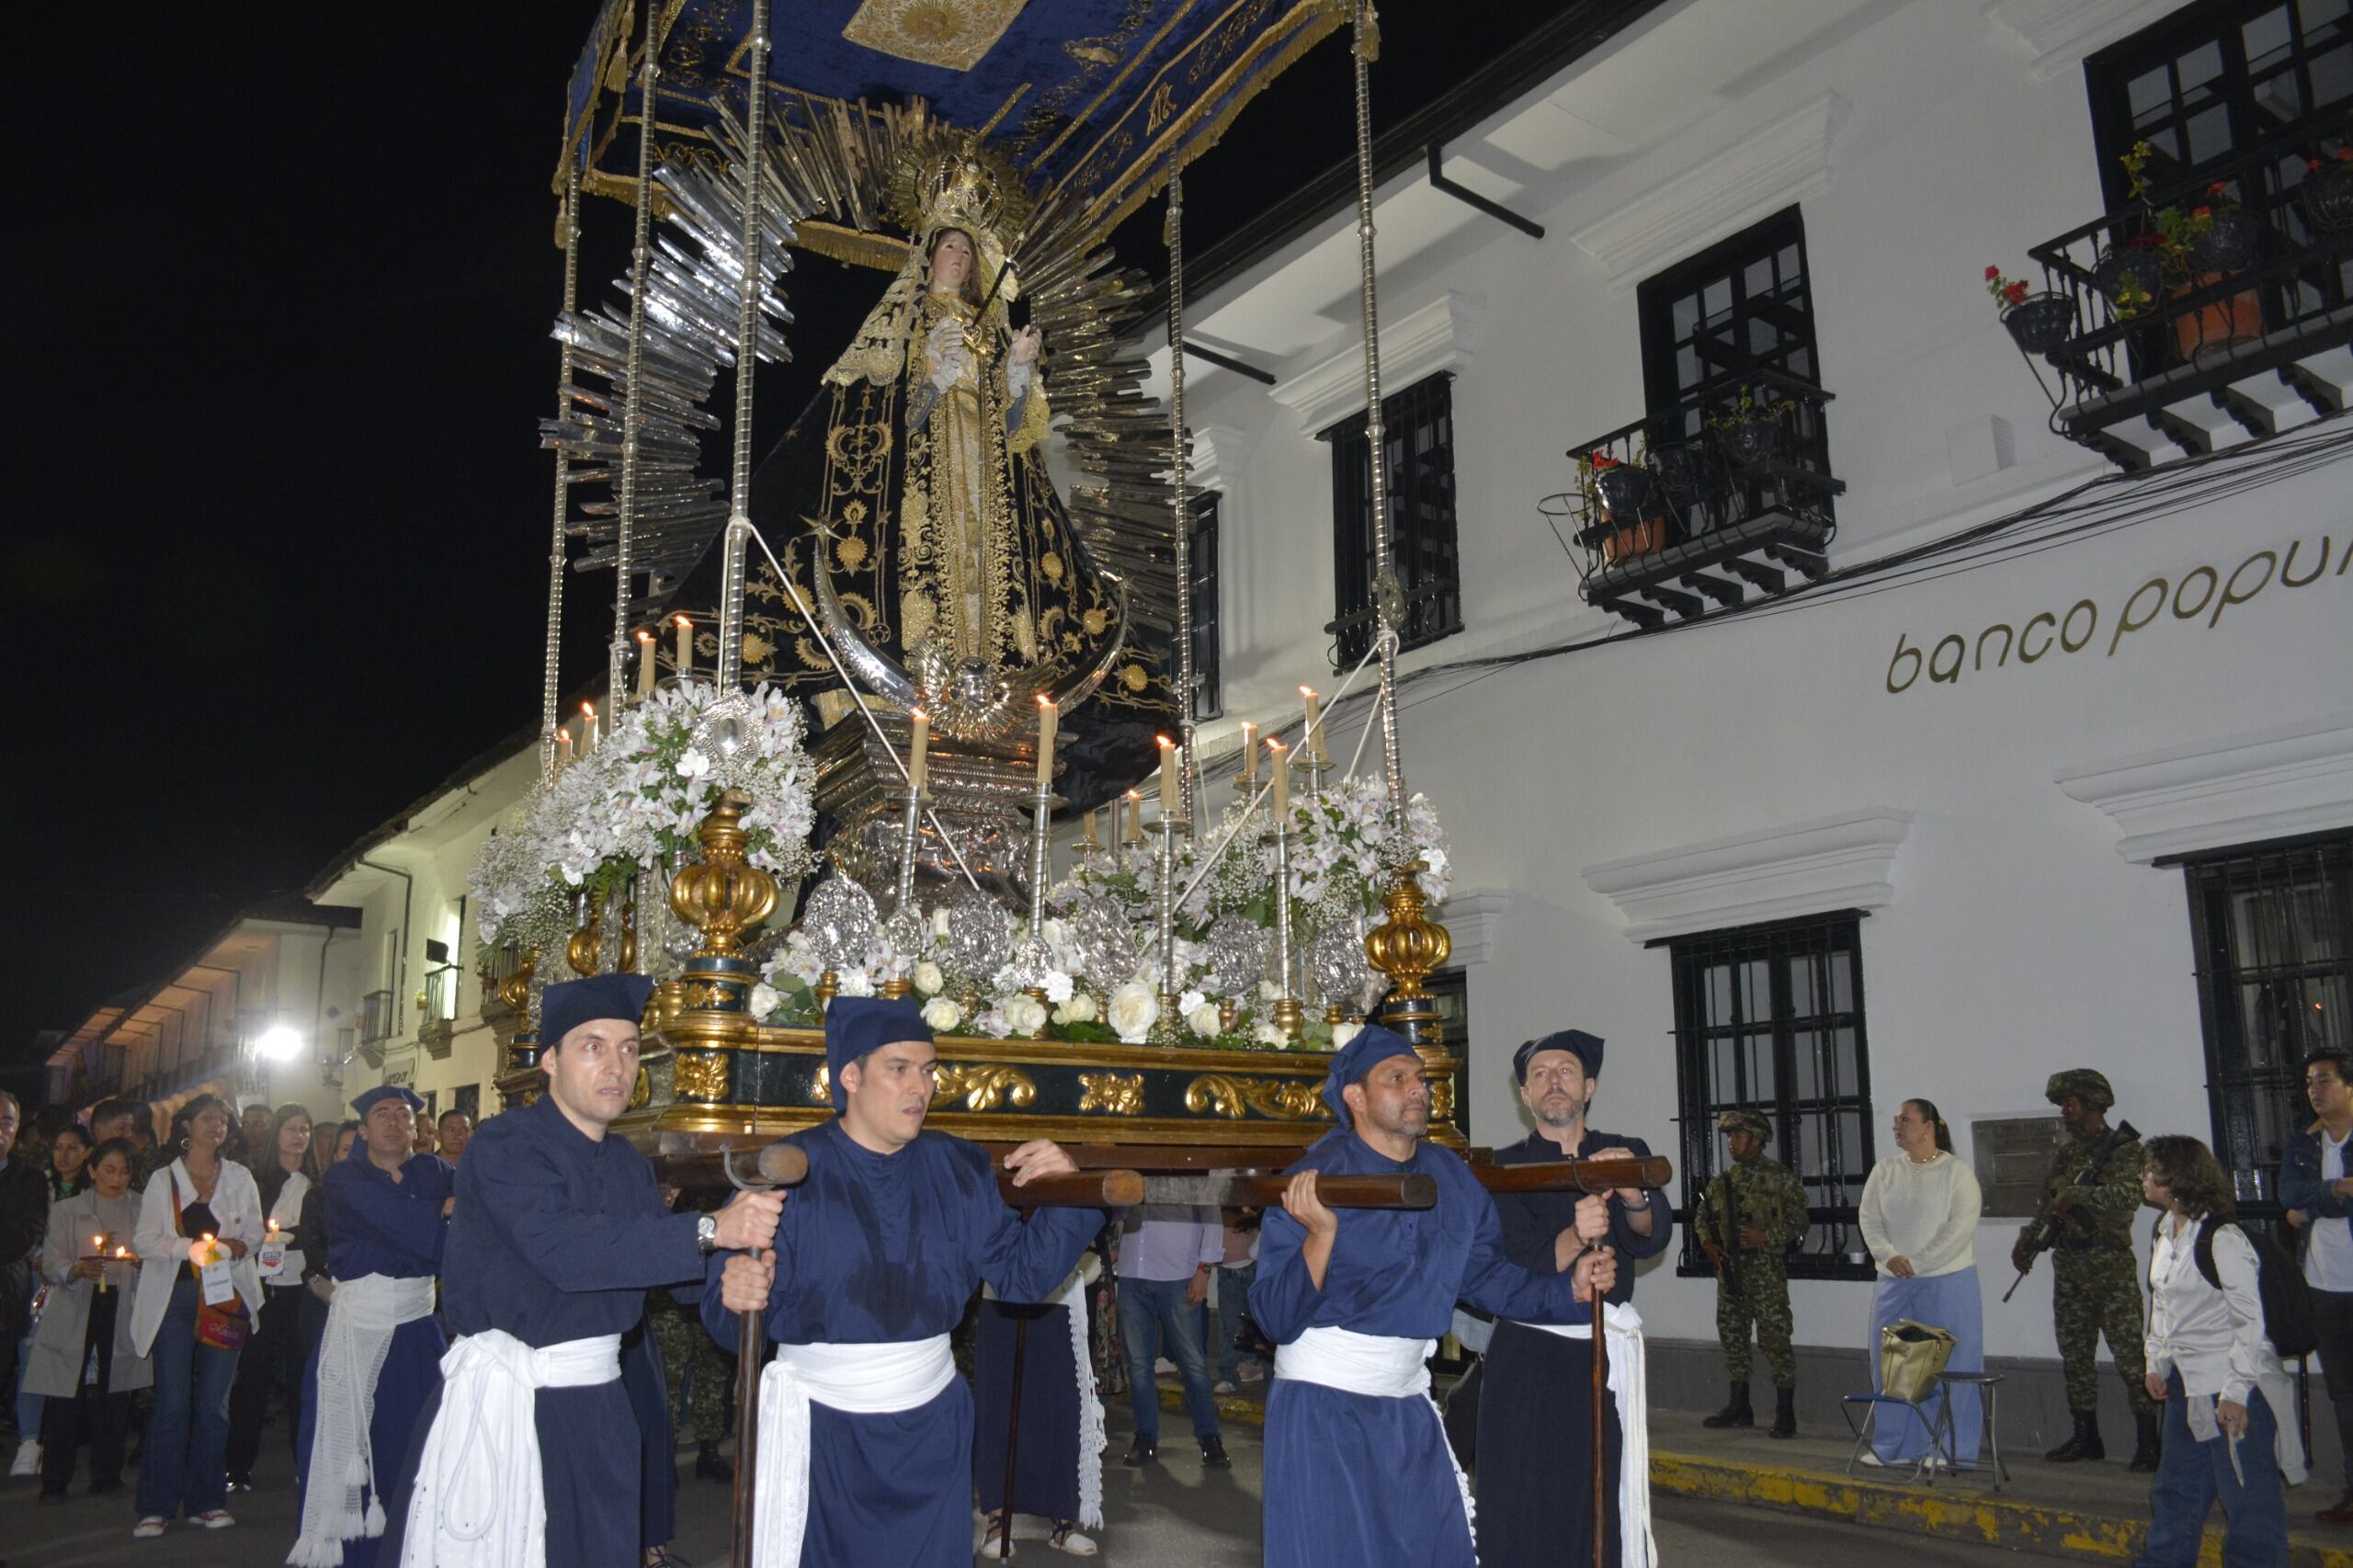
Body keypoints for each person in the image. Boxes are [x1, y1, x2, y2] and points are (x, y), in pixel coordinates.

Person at [388, 974, 780, 1568]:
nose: (616, 1066)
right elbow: (569, 1251)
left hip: (600, 1409)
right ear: (550, 1059)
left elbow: (681, 1277)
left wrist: (737, 1278)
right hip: (512, 1405)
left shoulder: (625, 1163)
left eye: (628, 1049)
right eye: (593, 1047)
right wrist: (710, 1231)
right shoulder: (505, 1145)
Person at [708, 994, 1100, 1568]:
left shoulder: (958, 1168)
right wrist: (736, 1292)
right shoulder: (788, 1169)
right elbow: (734, 1312)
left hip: (931, 1427)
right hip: (823, 1434)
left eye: (928, 1070)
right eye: (899, 1069)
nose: (921, 1087)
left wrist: (1070, 1191)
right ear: (850, 1075)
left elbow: (1020, 1276)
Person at [1253, 1026, 1618, 1568]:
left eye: (1418, 1077)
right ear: (1355, 1097)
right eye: (1396, 1079)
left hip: (1408, 1409)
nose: (1417, 1088)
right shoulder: (1316, 1177)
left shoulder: (1450, 1175)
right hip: (1323, 1413)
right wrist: (1320, 1236)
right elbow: (1274, 1317)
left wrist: (1568, 1287)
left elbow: (1488, 1278)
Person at [1476, 1029, 1673, 1568]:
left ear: (1589, 1087)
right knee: (1525, 1497)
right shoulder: (1502, 1168)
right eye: (1539, 1074)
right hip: (1530, 1355)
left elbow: (1650, 1236)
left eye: (1565, 1071)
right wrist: (1575, 1237)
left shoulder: (1623, 1152)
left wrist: (1633, 1194)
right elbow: (1505, 1261)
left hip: (1601, 1352)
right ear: (1525, 1097)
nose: (1552, 1082)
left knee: (1599, 1495)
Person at [291, 1087, 451, 1566]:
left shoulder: (437, 1171)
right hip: (358, 1331)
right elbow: (421, 1237)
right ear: (363, 1130)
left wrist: (423, 1233)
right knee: (349, 1448)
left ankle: (413, 1551)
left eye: (404, 1114)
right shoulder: (343, 1178)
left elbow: (450, 1241)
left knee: (417, 1445)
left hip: (417, 1330)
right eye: (382, 1114)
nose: (395, 1122)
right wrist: (436, 1221)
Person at [2136, 1134, 2302, 1565]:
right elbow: (2163, 1304)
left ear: (2175, 1179)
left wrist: (2235, 1391)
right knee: (2175, 1492)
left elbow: (2249, 1321)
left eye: (2151, 1169)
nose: (2143, 1177)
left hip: (2229, 1385)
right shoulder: (2165, 1232)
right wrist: (2156, 1360)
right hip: (2186, 1385)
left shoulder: (2222, 1238)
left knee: (2248, 1499)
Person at [128, 1092, 261, 1537]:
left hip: (225, 1298)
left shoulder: (240, 1177)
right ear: (186, 1125)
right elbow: (145, 1241)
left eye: (223, 1121)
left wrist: (241, 1246)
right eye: (207, 1118)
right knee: (172, 1403)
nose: (216, 1126)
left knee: (214, 1406)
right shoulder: (163, 1179)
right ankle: (157, 1505)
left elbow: (257, 1232)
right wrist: (195, 1249)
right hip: (175, 1298)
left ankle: (207, 1500)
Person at [2014, 1068, 2157, 1469]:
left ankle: (2149, 1441)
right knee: (2075, 1356)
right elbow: (2050, 1206)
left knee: (2131, 1357)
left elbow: (2131, 1194)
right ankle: (2086, 1436)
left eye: (2071, 1103)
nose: (2065, 1111)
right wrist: (2029, 1237)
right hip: (2071, 1267)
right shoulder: (2067, 1154)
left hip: (2110, 1267)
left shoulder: (2126, 1149)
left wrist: (2079, 1194)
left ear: (2093, 1104)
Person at [1858, 1097, 1984, 1470]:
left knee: (1952, 1363)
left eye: (1906, 1120)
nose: (1897, 1126)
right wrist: (1888, 1256)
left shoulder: (1956, 1172)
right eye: (1896, 1120)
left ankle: (1951, 1449)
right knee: (1891, 1364)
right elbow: (1870, 1219)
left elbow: (1959, 1228)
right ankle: (1895, 1446)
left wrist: (1919, 1262)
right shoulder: (1884, 1171)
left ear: (1928, 1128)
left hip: (1947, 1280)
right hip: (1893, 1280)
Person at [26, 1137, 148, 1499]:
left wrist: (142, 1263)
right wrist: (75, 1269)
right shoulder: (68, 1209)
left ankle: (107, 1473)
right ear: (92, 1171)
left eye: (125, 1172)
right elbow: (51, 1262)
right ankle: (55, 1478)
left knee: (117, 1388)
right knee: (66, 1392)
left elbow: (152, 1252)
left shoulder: (140, 1208)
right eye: (109, 1170)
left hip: (122, 1301)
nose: (117, 1178)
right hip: (78, 1302)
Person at [972, 1248, 1106, 1557]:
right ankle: (997, 1521)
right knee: (998, 1409)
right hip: (1003, 1297)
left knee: (1062, 1410)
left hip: (1059, 1302)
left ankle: (1062, 1524)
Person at [1698, 1107, 1808, 1438]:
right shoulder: (1722, 1184)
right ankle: (1739, 1405)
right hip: (1730, 1272)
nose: (1732, 1142)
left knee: (1775, 1338)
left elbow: (1800, 1222)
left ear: (1758, 1140)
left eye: (1738, 1135)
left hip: (1765, 1272)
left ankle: (1785, 1411)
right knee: (1733, 1336)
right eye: (1730, 1136)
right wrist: (1708, 1245)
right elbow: (1702, 1218)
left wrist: (1767, 1237)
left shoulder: (1780, 1178)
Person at [226, 1103, 313, 1492]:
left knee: (302, 1381)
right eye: (291, 1128)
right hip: (262, 1288)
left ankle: (305, 1461)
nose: (299, 1136)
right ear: (277, 1134)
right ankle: (238, 1466)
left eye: (305, 1129)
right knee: (253, 1380)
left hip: (303, 1290)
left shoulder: (317, 1182)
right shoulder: (257, 1181)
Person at [2284, 1047, 2353, 1524]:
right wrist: (2337, 1190)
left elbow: (2301, 1206)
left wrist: (2311, 1205)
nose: (2315, 1089)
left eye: (2325, 1079)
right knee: (2344, 1393)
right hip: (2324, 1286)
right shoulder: (2303, 1144)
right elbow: (2288, 1197)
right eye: (2310, 1081)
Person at [1112, 1203, 1228, 1470]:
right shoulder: (1133, 1166)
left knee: (1193, 1362)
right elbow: (1118, 1212)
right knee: (1139, 1365)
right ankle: (1145, 1438)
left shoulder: (1190, 1169)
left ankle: (1210, 1438)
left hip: (1178, 1275)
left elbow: (1212, 1217)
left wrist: (1204, 1270)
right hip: (1132, 1274)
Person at [0, 1093, 55, 1471]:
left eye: (6, 1122)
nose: (0, 1129)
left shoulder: (30, 1179)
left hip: (6, 1293)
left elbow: (26, 1235)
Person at [1208, 1207, 1262, 1391]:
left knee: (1262, 1323)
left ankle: (1258, 1367)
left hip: (1257, 1265)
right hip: (1229, 1268)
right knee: (1231, 1327)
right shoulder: (1219, 1196)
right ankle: (1228, 1375)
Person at [48, 1124, 93, 1200]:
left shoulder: (94, 1191)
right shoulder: (42, 1186)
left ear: (88, 1152)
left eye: (72, 1148)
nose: (63, 1155)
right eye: (58, 1148)